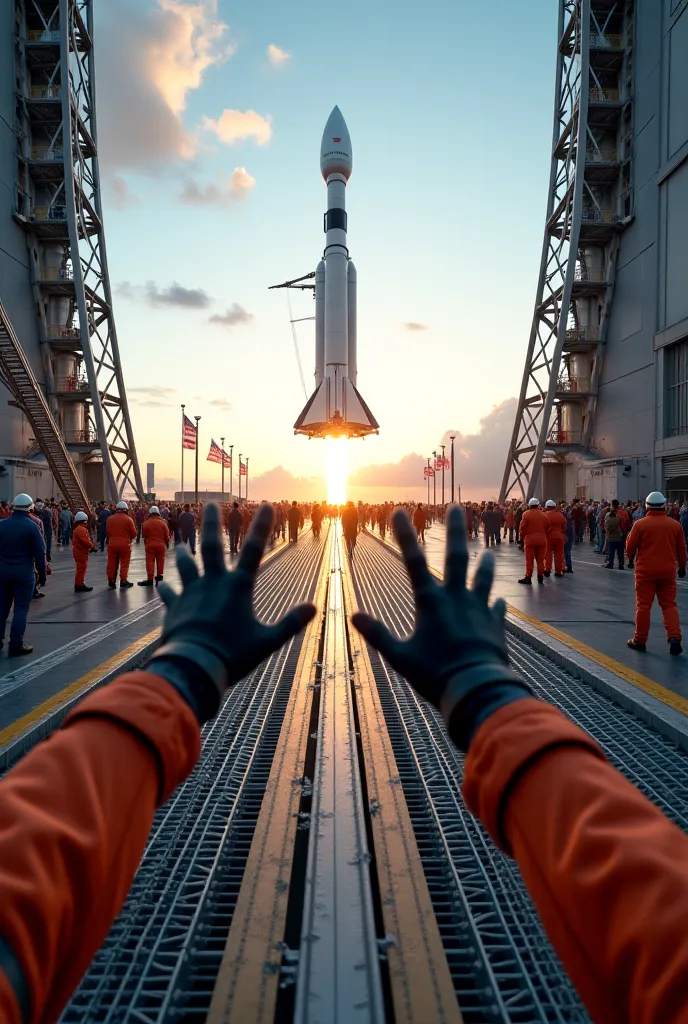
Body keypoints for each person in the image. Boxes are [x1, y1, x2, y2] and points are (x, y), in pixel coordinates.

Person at [2, 504, 688, 1024]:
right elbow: (653, 910)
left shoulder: (110, 522)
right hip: (583, 574)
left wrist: (178, 672)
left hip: (130, 629)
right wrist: (488, 694)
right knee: (660, 602)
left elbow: (27, 862)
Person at [626, 491, 687, 654]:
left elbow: (630, 546)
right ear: (664, 506)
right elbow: (682, 549)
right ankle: (674, 637)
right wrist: (682, 567)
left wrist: (630, 559)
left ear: (647, 506)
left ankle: (640, 640)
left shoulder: (640, 524)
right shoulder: (675, 525)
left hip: (645, 572)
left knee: (643, 606)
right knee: (669, 605)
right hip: (667, 571)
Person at [0, 493, 46, 655]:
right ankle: (16, 644)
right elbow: (40, 554)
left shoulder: (1, 524)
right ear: (30, 508)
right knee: (20, 609)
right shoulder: (31, 526)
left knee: (2, 607)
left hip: (3, 573)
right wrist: (42, 574)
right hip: (23, 574)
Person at [105, 501, 137, 589]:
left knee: (111, 562)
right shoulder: (128, 519)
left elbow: (107, 532)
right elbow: (134, 533)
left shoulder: (110, 519)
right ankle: (123, 581)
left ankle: (111, 580)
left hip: (112, 544)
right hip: (124, 544)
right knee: (124, 563)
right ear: (125, 509)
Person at [518, 498, 549, 585]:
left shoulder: (526, 514)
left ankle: (528, 577)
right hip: (542, 539)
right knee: (540, 560)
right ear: (538, 505)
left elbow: (522, 527)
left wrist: (521, 538)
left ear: (529, 505)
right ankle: (540, 576)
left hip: (530, 539)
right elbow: (547, 526)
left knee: (529, 559)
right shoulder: (544, 515)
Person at [138, 506, 170, 586]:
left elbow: (144, 535)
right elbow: (167, 535)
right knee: (160, 561)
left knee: (150, 562)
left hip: (150, 545)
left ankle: (150, 579)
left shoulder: (145, 523)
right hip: (161, 545)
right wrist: (167, 543)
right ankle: (159, 576)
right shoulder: (163, 523)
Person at [72, 511, 97, 592]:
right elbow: (85, 541)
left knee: (80, 568)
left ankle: (79, 583)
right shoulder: (81, 529)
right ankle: (79, 584)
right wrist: (92, 546)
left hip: (79, 551)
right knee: (81, 568)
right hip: (81, 552)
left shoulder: (77, 529)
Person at [543, 499, 567, 577]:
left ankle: (547, 569)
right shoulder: (560, 515)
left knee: (548, 554)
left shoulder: (544, 515)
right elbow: (564, 524)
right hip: (559, 537)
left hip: (548, 537)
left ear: (547, 507)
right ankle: (558, 571)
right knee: (559, 555)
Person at [603, 502, 625, 570]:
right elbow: (623, 522)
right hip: (618, 536)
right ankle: (621, 564)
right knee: (620, 552)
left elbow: (606, 527)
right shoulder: (618, 517)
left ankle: (610, 564)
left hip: (611, 537)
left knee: (611, 552)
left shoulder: (607, 517)